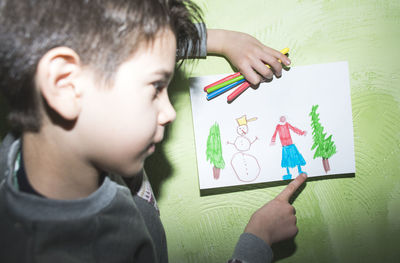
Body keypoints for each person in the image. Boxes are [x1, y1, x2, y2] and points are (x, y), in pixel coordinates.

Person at [0, 0, 305, 262]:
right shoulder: (91, 250)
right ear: (65, 86)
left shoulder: (38, 137)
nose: (169, 112)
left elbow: (132, 47)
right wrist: (256, 242)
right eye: (157, 87)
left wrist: (221, 40)